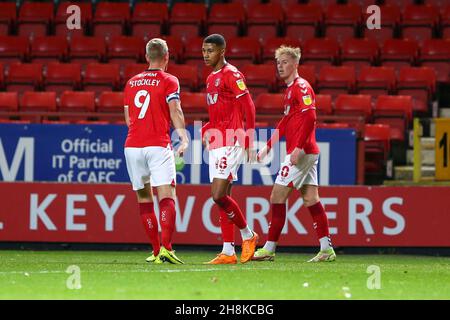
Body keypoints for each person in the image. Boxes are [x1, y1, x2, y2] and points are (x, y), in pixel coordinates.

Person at [253, 46, 336, 263]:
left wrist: (298, 146)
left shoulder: (301, 87)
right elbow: (286, 122)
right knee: (310, 198)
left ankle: (269, 248)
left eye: (285, 62)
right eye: (278, 63)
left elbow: (310, 118)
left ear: (295, 64)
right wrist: (268, 146)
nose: (280, 66)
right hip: (306, 151)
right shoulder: (290, 90)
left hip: (303, 151)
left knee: (276, 196)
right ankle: (326, 249)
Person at [123, 38, 189, 264]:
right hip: (158, 144)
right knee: (166, 195)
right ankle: (167, 248)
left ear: (146, 57)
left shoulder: (131, 82)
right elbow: (175, 109)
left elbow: (128, 119)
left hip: (132, 146)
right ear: (167, 56)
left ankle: (154, 251)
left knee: (143, 198)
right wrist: (183, 137)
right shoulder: (170, 80)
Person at [201, 34, 258, 264]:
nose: (206, 54)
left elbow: (249, 106)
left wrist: (250, 138)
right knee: (224, 197)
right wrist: (206, 127)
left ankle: (248, 234)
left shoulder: (232, 74)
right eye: (204, 50)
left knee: (218, 195)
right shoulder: (210, 77)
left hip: (232, 139)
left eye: (210, 50)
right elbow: (219, 111)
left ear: (222, 51)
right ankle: (227, 251)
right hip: (216, 141)